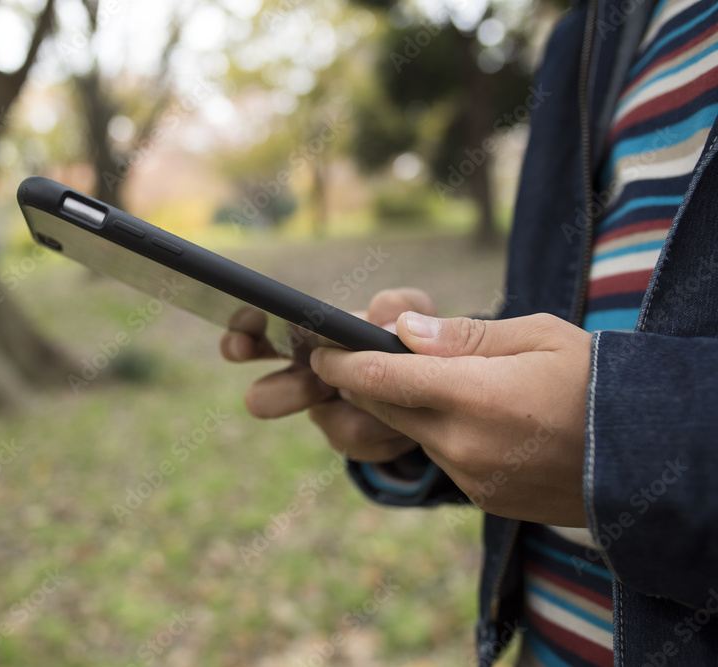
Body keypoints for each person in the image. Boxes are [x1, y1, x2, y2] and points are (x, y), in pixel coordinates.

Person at [221, 0, 718, 665]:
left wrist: (624, 438)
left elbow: (598, 403)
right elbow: (578, 344)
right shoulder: (587, 34)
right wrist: (414, 413)